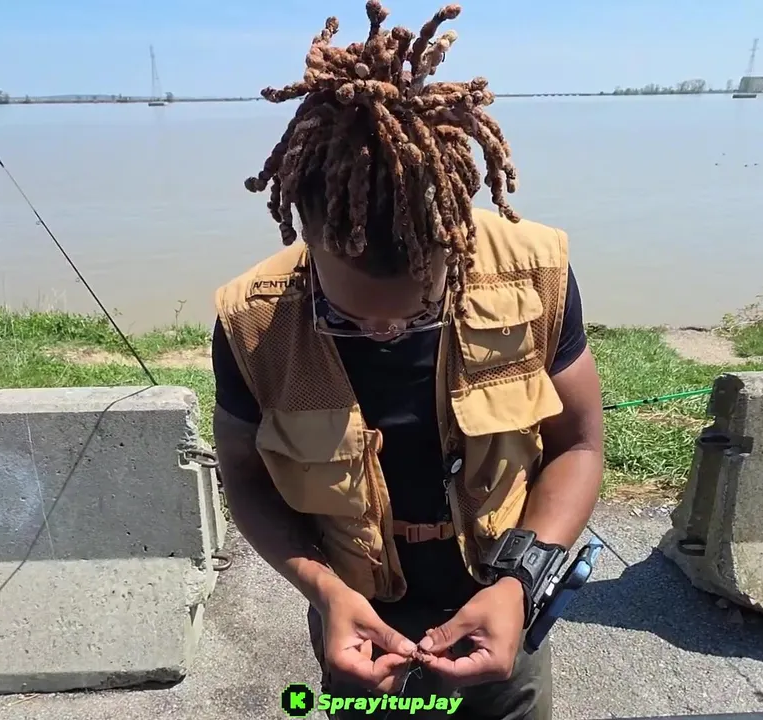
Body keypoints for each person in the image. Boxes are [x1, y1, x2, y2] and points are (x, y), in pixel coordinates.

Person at [210, 3, 605, 718]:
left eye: (421, 312)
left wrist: (518, 585)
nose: (387, 332)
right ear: (304, 234)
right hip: (351, 613)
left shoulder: (536, 272)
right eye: (348, 319)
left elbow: (578, 445)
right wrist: (325, 592)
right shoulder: (252, 321)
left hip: (504, 603)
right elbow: (243, 476)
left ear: (455, 241)